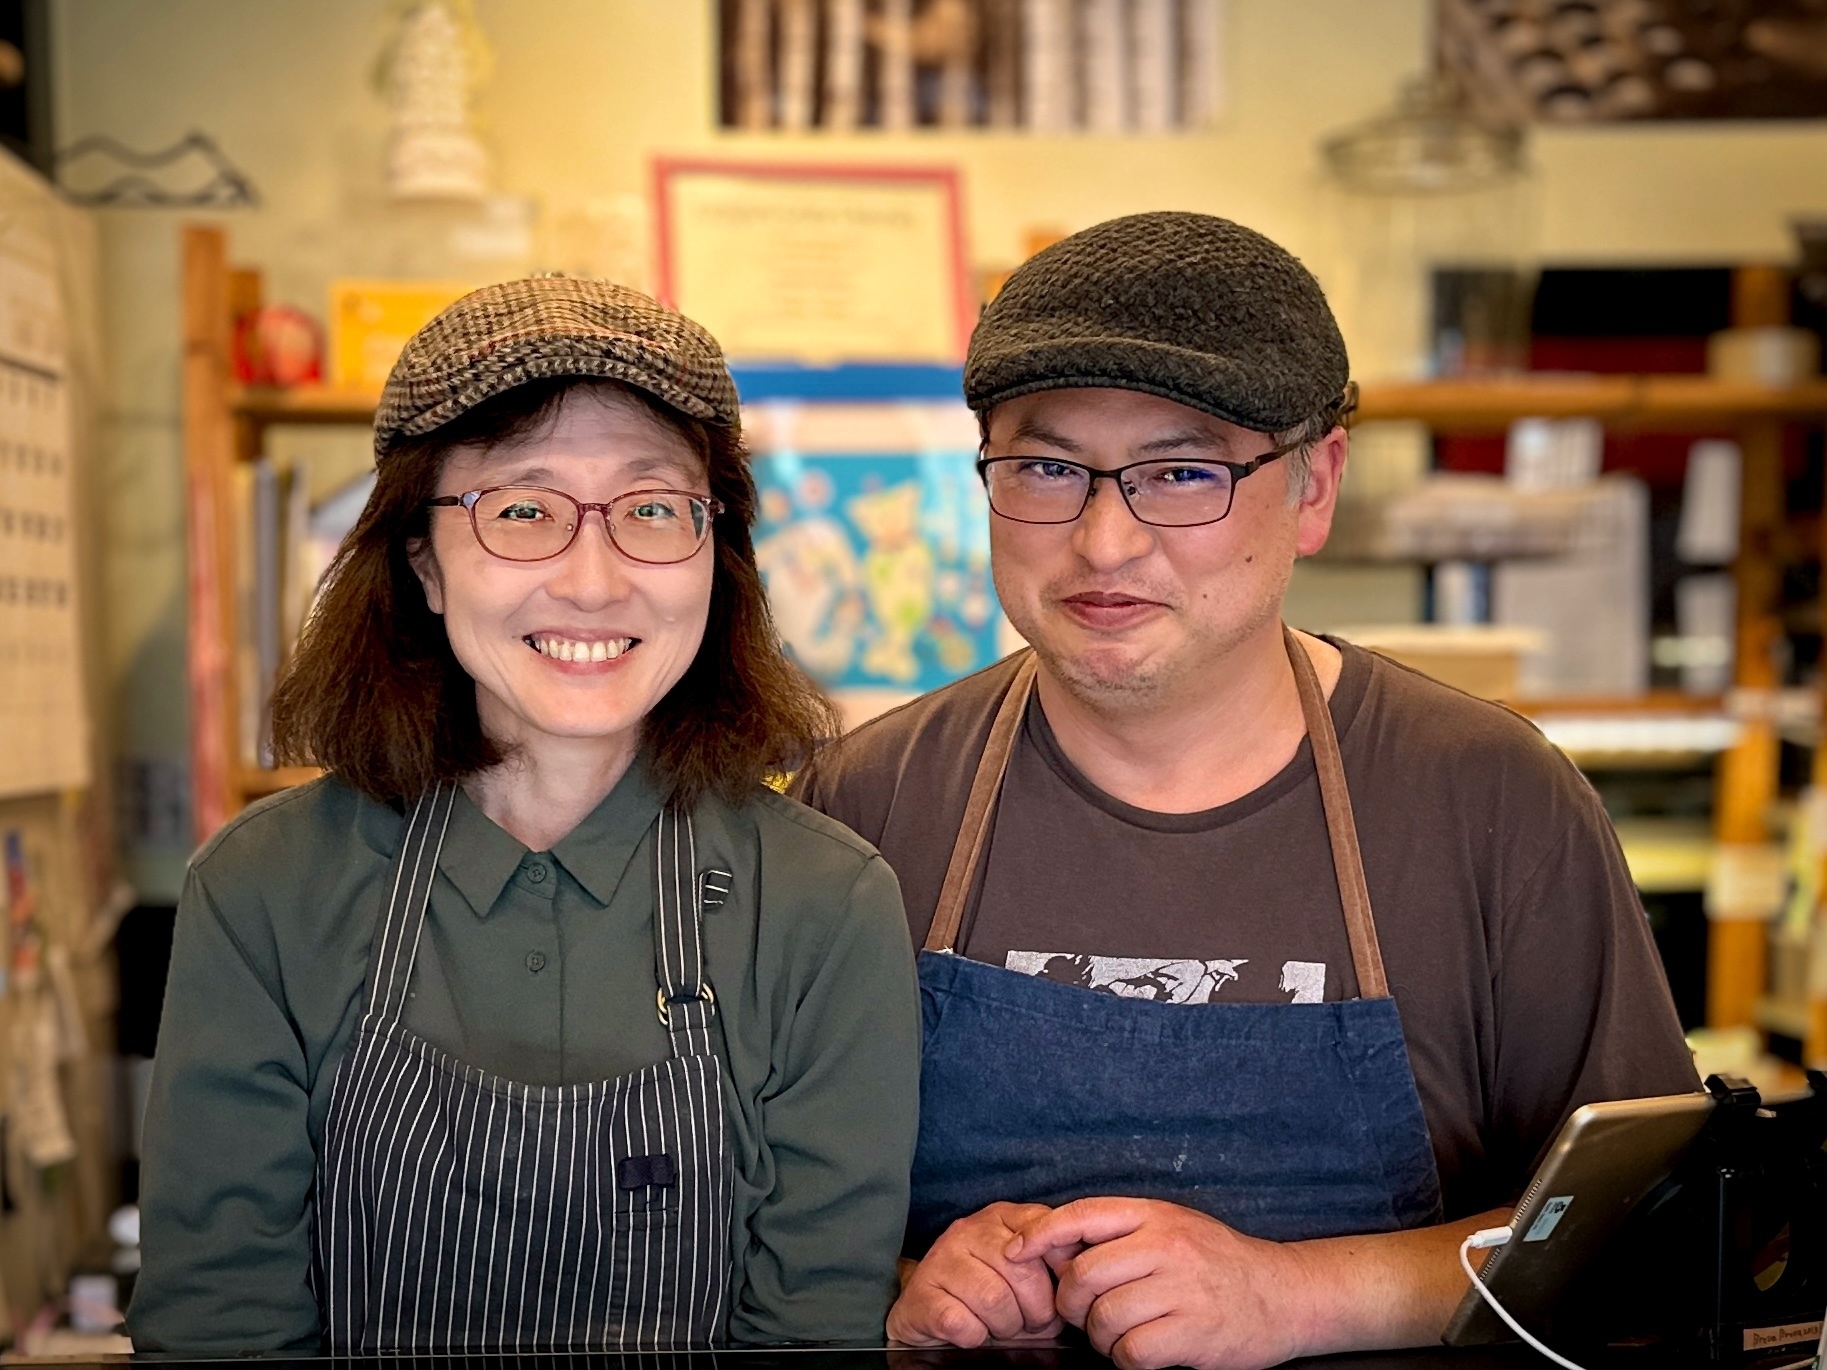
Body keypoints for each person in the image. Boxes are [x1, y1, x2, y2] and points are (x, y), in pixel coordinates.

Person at [790, 212, 1701, 1370]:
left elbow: (1643, 1236)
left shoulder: (1493, 801)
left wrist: (1297, 1293)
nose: (1105, 540)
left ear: (1314, 485)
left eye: (1182, 472)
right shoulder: (863, 801)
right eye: (1047, 467)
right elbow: (753, 1217)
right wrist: (911, 1282)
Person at [131, 278, 920, 1354]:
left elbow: (814, 1328)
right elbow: (220, 1322)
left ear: (713, 551)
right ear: (424, 560)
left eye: (650, 509)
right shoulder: (263, 888)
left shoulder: (827, 903)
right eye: (523, 511)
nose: (593, 581)